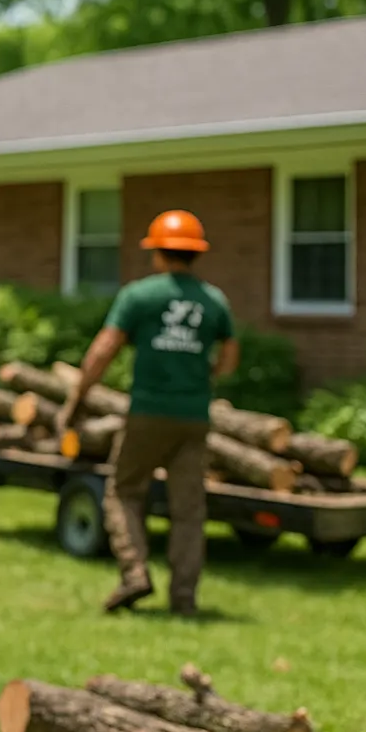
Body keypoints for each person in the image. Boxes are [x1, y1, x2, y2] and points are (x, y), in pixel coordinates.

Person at [55, 210, 239, 616]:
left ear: (158, 251)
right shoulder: (214, 300)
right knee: (189, 509)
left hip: (148, 414)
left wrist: (76, 398)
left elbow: (103, 350)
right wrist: (207, 375)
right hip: (194, 419)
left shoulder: (140, 296)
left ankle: (135, 572)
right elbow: (229, 355)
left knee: (123, 492)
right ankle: (185, 597)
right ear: (196, 254)